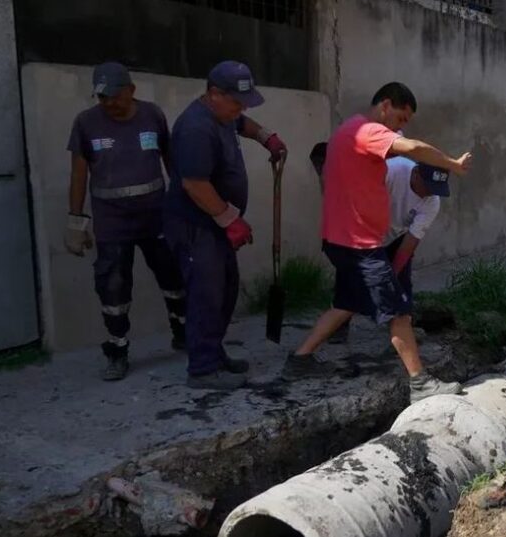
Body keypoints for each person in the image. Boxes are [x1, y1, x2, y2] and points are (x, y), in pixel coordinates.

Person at [284, 82, 470, 403]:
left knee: (346, 304)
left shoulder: (348, 131)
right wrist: (452, 164)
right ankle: (420, 383)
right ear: (385, 106)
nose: (399, 127)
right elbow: (413, 148)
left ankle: (299, 360)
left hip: (340, 239)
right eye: (400, 118)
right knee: (398, 311)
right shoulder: (368, 132)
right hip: (359, 244)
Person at [164, 61, 288, 391]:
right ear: (213, 94)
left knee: (225, 290)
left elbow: (242, 123)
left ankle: (215, 355)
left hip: (213, 225)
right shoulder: (196, 128)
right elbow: (194, 184)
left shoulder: (225, 115)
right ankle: (202, 369)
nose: (241, 109)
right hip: (195, 225)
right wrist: (230, 220)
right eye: (236, 102)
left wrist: (267, 138)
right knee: (206, 295)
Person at [66, 62, 187, 381]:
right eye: (102, 97)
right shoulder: (86, 123)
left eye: (115, 96)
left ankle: (183, 333)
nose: (109, 103)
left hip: (156, 215)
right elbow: (78, 173)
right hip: (112, 222)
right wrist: (76, 220)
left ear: (131, 90)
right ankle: (117, 351)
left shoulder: (153, 115)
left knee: (174, 275)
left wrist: (183, 201)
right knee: (113, 286)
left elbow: (170, 159)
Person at [319, 154, 450, 346]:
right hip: (362, 229)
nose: (429, 193)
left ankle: (402, 334)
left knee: (401, 285)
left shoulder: (433, 202)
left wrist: (390, 276)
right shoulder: (392, 170)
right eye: (427, 187)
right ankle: (339, 326)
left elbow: (410, 242)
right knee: (351, 279)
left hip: (396, 237)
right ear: (415, 174)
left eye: (435, 189)